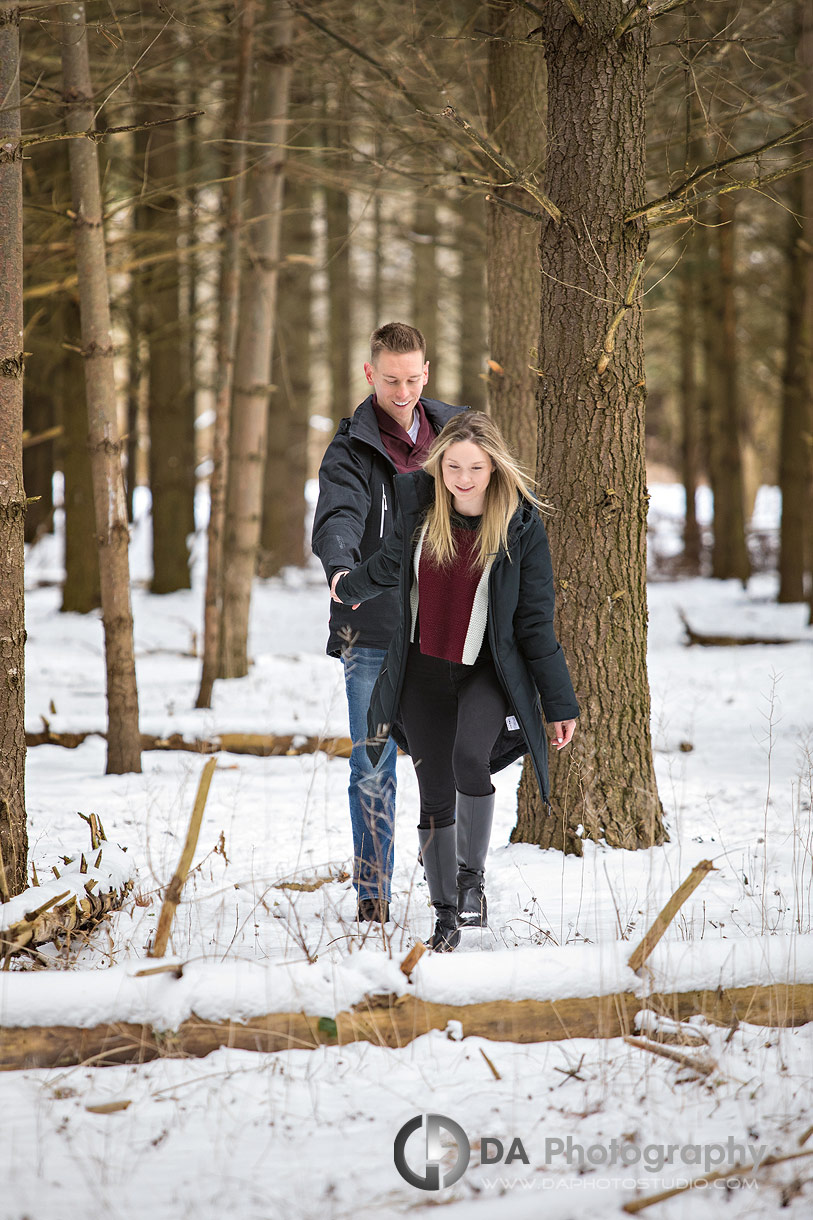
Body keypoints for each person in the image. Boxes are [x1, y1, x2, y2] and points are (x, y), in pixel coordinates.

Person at [331, 411, 579, 951]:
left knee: (471, 756)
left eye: (476, 467)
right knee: (433, 794)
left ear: (495, 469)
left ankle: (472, 882)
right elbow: (389, 564)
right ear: (439, 464)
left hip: (484, 672)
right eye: (453, 466)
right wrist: (348, 585)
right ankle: (444, 913)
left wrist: (560, 703)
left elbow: (536, 623)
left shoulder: (520, 526)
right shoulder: (420, 510)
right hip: (421, 671)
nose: (463, 478)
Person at [311, 322, 465, 925]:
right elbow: (338, 513)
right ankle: (373, 894)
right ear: (370, 374)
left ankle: (446, 887)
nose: (402, 391)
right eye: (390, 379)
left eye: (412, 378)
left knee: (445, 757)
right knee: (372, 762)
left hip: (444, 623)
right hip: (369, 625)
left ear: (426, 372)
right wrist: (341, 566)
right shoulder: (349, 448)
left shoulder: (457, 434)